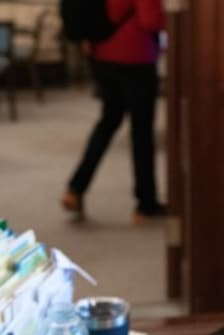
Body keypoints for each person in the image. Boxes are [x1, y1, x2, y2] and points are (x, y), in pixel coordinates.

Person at [61, 0, 166, 223]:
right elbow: (151, 21)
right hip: (137, 58)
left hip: (103, 57)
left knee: (107, 122)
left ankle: (76, 188)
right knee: (141, 132)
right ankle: (145, 205)